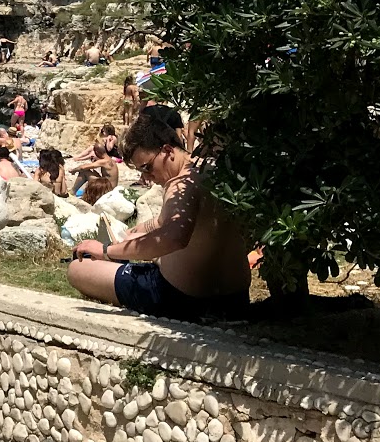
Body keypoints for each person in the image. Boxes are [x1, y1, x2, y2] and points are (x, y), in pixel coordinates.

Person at [67, 107, 251, 322]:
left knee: (78, 269)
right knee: (134, 240)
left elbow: (174, 237)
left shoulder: (181, 185)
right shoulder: (209, 169)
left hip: (181, 299)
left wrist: (107, 250)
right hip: (234, 298)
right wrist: (139, 230)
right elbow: (175, 221)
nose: (147, 177)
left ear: (167, 150)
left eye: (147, 167)